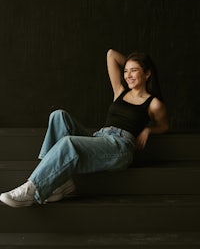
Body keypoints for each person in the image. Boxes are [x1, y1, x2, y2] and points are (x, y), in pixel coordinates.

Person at [0, 49, 168, 207]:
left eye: (134, 70)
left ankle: (34, 189)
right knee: (59, 116)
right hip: (101, 137)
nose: (128, 75)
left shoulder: (153, 103)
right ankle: (58, 181)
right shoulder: (120, 91)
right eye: (126, 71)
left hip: (120, 147)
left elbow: (164, 126)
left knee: (68, 143)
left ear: (147, 73)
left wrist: (148, 130)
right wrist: (133, 66)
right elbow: (111, 55)